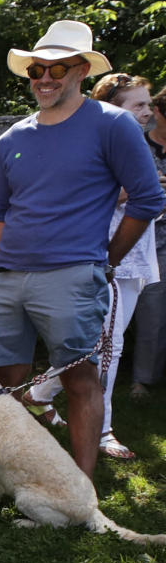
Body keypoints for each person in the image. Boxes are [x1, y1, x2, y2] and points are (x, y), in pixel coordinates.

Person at [0, 20, 165, 491]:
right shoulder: (15, 136)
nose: (44, 78)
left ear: (80, 69)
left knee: (79, 378)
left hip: (72, 274)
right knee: (0, 381)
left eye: (57, 68)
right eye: (37, 69)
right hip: (5, 276)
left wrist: (105, 258)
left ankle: (80, 484)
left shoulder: (112, 123)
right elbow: (2, 210)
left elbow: (148, 199)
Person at [21, 73, 159, 461]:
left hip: (132, 255)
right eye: (139, 105)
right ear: (114, 106)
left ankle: (41, 392)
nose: (148, 112)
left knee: (99, 343)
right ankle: (102, 430)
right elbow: (83, 189)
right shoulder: (102, 136)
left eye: (148, 104)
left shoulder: (132, 142)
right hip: (103, 252)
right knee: (106, 347)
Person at [131, 84, 166, 398]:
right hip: (142, 237)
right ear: (158, 113)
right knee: (151, 310)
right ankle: (141, 381)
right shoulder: (137, 145)